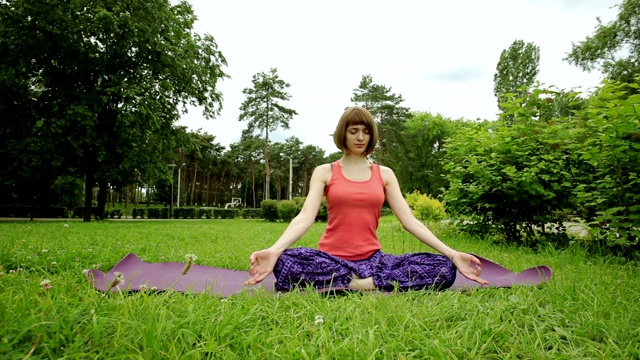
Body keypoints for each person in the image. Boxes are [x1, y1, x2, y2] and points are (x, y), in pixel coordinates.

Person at [245, 106, 488, 292]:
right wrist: (275, 251)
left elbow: (410, 221)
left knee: (444, 268)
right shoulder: (325, 171)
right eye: (353, 131)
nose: (360, 137)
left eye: (366, 131)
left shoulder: (384, 174)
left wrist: (453, 253)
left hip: (374, 261)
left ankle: (354, 283)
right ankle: (367, 283)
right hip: (330, 260)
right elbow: (305, 217)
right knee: (286, 262)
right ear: (344, 134)